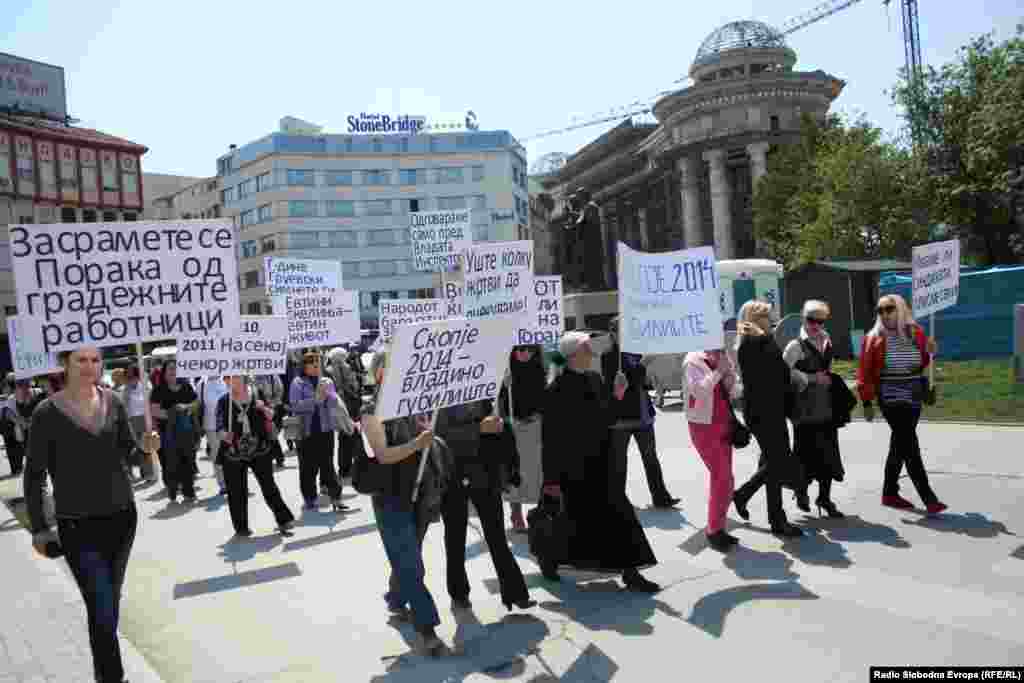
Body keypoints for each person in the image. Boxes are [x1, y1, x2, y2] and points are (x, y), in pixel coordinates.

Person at [25, 346, 160, 683]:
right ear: (65, 364)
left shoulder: (113, 401)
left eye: (95, 360)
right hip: (76, 525)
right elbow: (34, 475)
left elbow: (128, 450)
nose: (89, 366)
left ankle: (104, 674)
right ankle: (113, 677)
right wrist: (40, 527)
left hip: (121, 518)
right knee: (100, 605)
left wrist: (145, 447)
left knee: (108, 604)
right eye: (80, 360)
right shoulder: (45, 412)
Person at [539, 331, 660, 592]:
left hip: (602, 462)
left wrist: (617, 394)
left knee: (618, 514)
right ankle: (549, 559)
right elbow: (550, 438)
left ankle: (630, 572)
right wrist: (550, 479)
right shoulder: (554, 390)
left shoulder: (594, 379)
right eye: (586, 349)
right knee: (570, 520)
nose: (592, 354)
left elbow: (607, 418)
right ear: (573, 355)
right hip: (571, 469)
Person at [362, 348, 446, 656]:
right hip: (390, 498)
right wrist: (417, 443)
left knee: (407, 557)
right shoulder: (370, 410)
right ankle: (427, 629)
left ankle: (396, 600)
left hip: (420, 494)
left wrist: (428, 436)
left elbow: (426, 442)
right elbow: (383, 455)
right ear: (381, 374)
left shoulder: (413, 404)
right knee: (412, 564)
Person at [436, 399, 535, 612]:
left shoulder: (479, 390)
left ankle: (516, 592)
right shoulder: (440, 395)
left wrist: (497, 425)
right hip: (452, 476)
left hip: (484, 473)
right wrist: (478, 428)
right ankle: (459, 593)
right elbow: (439, 435)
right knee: (455, 537)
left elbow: (494, 426)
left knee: (497, 535)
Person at [857, 294, 947, 514]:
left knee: (900, 444)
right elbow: (865, 372)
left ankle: (889, 493)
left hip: (914, 392)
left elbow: (924, 361)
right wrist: (867, 402)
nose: (884, 314)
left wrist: (931, 350)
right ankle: (928, 497)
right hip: (889, 394)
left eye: (889, 309)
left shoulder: (915, 332)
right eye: (880, 310)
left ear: (901, 309)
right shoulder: (873, 337)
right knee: (909, 442)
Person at [731, 300, 804, 538]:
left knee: (772, 464)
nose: (773, 319)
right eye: (768, 315)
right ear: (756, 318)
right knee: (776, 462)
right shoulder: (755, 342)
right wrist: (788, 369)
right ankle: (755, 503)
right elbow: (771, 377)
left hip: (768, 410)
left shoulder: (760, 340)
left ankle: (771, 515)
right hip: (764, 412)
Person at [602, 318, 680, 508]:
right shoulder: (609, 355)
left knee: (650, 457)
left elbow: (642, 381)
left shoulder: (634, 351)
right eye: (621, 330)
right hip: (621, 417)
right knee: (619, 463)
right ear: (612, 333)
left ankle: (660, 496)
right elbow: (623, 383)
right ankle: (617, 501)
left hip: (642, 414)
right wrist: (644, 363)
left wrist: (646, 373)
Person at [783, 300, 848, 518]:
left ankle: (825, 498)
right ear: (803, 318)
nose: (816, 325)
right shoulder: (795, 346)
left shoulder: (827, 340)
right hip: (804, 409)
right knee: (804, 453)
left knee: (828, 453)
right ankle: (801, 492)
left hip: (826, 406)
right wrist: (811, 378)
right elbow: (784, 373)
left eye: (820, 321)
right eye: (811, 320)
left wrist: (828, 379)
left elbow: (827, 368)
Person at [216, 376, 295, 537]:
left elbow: (272, 415)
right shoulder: (224, 401)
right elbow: (219, 426)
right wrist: (224, 434)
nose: (228, 381)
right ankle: (241, 527)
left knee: (269, 486)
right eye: (226, 378)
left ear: (242, 377)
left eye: (232, 377)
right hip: (234, 452)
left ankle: (283, 519)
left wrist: (263, 408)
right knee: (236, 491)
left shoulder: (257, 394)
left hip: (260, 449)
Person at [683, 346, 742, 552]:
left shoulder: (720, 355)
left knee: (727, 480)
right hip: (703, 427)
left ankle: (718, 527)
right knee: (722, 477)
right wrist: (718, 371)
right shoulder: (693, 360)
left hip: (724, 423)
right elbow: (698, 391)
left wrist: (730, 376)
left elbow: (732, 392)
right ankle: (714, 530)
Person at [289, 351, 346, 512]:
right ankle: (309, 498)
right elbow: (295, 405)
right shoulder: (298, 383)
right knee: (308, 468)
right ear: (304, 366)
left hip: (325, 430)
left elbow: (335, 402)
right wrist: (315, 400)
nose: (316, 366)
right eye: (312, 364)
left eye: (317, 363)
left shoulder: (326, 380)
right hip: (306, 432)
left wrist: (328, 395)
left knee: (328, 465)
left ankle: (336, 497)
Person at [498, 345, 546, 532]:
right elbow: (496, 400)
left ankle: (539, 508)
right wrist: (503, 385)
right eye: (520, 349)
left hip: (535, 423)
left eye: (529, 350)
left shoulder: (539, 368)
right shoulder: (506, 367)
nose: (525, 353)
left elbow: (544, 395)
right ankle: (516, 513)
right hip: (512, 424)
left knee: (536, 469)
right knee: (514, 469)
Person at [149, 360, 199, 504]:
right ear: (164, 373)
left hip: (186, 431)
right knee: (171, 463)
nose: (173, 372)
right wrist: (172, 414)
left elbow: (196, 403)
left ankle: (189, 491)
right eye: (170, 369)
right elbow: (154, 410)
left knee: (188, 460)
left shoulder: (186, 386)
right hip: (168, 433)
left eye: (176, 369)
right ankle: (172, 491)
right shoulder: (159, 390)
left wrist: (186, 408)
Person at [1, 377, 44, 477]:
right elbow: (8, 413)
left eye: (25, 385)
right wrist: (21, 422)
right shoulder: (12, 398)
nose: (23, 388)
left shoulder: (37, 393)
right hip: (22, 430)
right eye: (19, 386)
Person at [122, 367, 158, 484]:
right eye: (129, 377)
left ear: (138, 377)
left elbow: (151, 402)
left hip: (145, 419)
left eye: (133, 377)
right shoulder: (126, 390)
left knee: (147, 447)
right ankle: (145, 471)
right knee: (139, 448)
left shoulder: (145, 386)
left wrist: (152, 419)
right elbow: (125, 407)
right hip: (132, 421)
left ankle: (150, 472)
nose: (131, 379)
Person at [199, 375, 230, 494]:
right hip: (211, 426)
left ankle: (234, 480)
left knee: (232, 453)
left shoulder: (227, 378)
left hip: (228, 424)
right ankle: (222, 484)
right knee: (217, 455)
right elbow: (198, 403)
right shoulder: (201, 384)